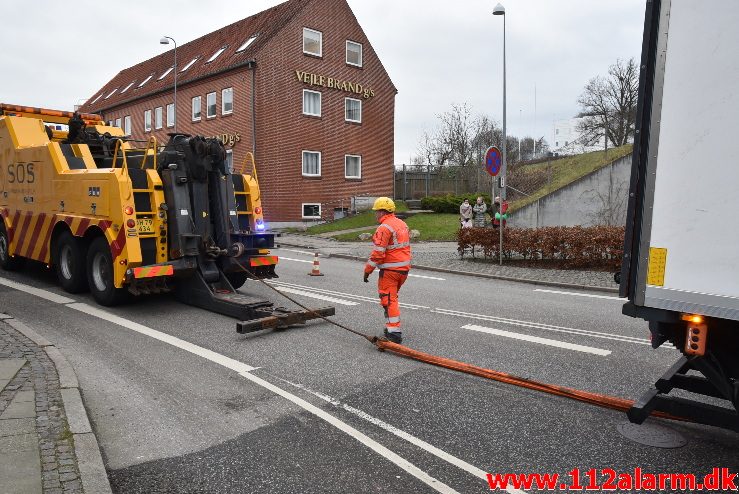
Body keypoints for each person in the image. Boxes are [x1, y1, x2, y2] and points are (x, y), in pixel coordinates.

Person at [363, 197, 411, 344]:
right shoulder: (402, 224)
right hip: (403, 270)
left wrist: (367, 270)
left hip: (390, 271)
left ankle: (394, 333)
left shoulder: (384, 228)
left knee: (389, 300)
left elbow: (378, 253)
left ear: (382, 211)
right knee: (391, 298)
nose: (375, 214)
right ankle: (391, 328)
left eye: (376, 211)